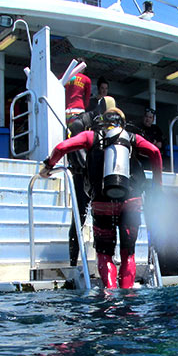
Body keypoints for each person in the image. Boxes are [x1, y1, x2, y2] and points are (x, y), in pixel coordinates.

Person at [39, 107, 162, 289]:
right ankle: (127, 295)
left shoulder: (91, 136)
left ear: (102, 121)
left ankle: (109, 294)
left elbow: (61, 147)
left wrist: (49, 166)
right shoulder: (131, 138)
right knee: (128, 254)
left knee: (105, 254)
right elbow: (155, 152)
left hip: (102, 202)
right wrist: (158, 185)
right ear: (122, 123)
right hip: (131, 201)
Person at [63, 96, 116, 266]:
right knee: (79, 216)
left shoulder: (110, 124)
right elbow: (73, 137)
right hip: (83, 176)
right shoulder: (83, 121)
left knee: (106, 218)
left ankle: (108, 257)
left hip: (101, 177)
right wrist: (87, 168)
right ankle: (73, 261)